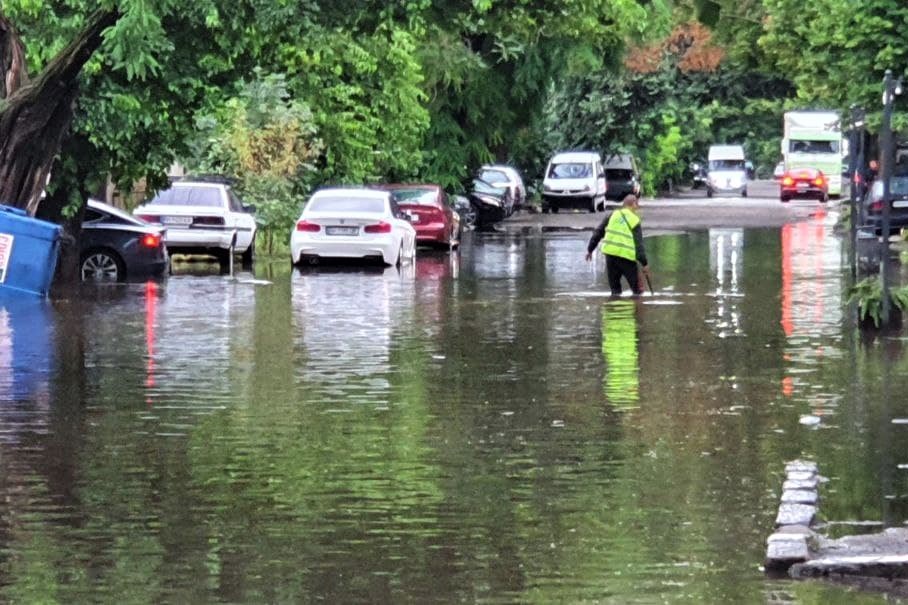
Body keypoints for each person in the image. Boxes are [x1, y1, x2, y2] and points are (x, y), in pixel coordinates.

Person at [585, 194, 650, 296]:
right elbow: (639, 245)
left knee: (615, 291)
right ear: (633, 204)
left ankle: (614, 309)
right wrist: (644, 264)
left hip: (610, 257)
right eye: (637, 205)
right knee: (638, 291)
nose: (637, 208)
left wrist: (590, 250)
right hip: (627, 258)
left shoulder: (612, 215)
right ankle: (637, 308)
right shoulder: (634, 220)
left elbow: (598, 232)